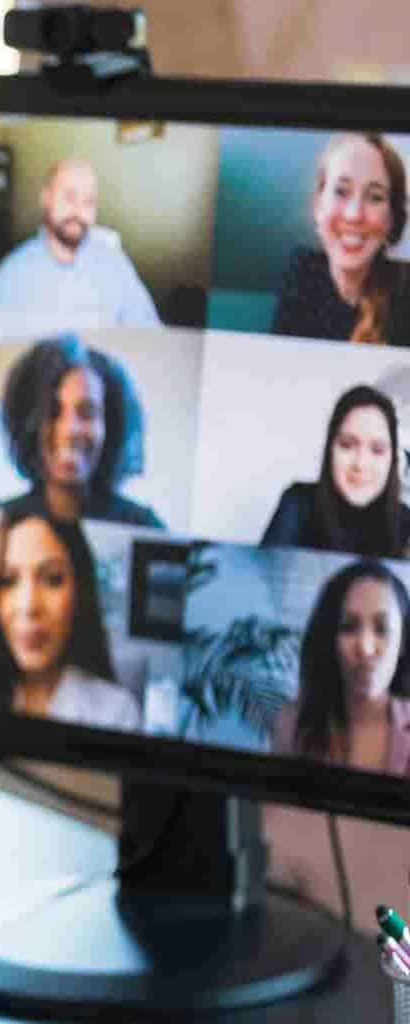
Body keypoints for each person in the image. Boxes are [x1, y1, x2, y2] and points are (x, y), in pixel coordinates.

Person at [0, 512, 141, 731]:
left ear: (80, 593)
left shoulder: (117, 713)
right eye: (8, 580)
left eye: (52, 579)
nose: (29, 606)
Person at [0, 334, 164, 528]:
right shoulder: (0, 522)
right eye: (53, 412)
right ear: (28, 423)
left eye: (87, 412)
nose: (70, 430)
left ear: (111, 427)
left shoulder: (144, 528)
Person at [0, 158, 163, 326]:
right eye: (69, 197)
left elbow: (151, 333)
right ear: (46, 199)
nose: (79, 210)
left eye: (89, 201)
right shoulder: (13, 273)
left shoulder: (116, 265)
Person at [270, 133, 410, 345]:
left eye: (375, 197)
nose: (354, 214)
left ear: (392, 219)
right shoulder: (302, 270)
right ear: (318, 205)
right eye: (341, 191)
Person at [273, 561, 410, 775]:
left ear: (402, 642)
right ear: (330, 638)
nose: (365, 649)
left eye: (382, 629)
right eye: (348, 627)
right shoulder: (292, 725)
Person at [261, 385, 410, 558]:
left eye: (377, 450)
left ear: (392, 459)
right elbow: (264, 581)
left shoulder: (405, 522)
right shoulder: (298, 504)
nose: (360, 464)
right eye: (347, 445)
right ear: (330, 449)